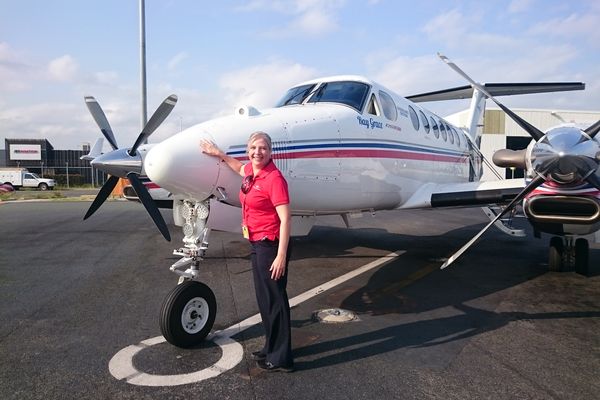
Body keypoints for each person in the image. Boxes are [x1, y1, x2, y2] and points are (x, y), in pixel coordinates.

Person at [200, 132, 294, 372]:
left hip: (271, 245)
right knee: (264, 300)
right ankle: (271, 347)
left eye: (263, 148)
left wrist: (281, 255)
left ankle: (281, 358)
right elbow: (239, 168)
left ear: (270, 152)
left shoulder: (274, 179)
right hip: (257, 244)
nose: (257, 152)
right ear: (248, 150)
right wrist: (218, 154)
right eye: (253, 148)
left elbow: (285, 219)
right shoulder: (252, 171)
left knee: (275, 301)